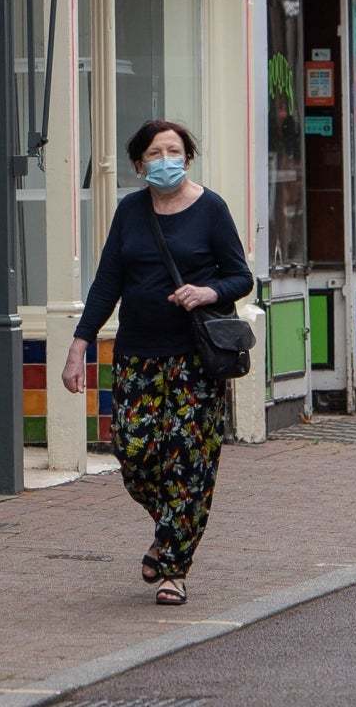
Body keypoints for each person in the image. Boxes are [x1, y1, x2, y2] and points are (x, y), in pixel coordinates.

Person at [63, 119, 251, 607]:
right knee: (135, 455)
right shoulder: (130, 211)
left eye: (174, 151)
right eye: (154, 152)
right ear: (138, 163)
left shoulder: (211, 210)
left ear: (187, 159)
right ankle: (172, 528)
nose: (164, 160)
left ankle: (173, 568)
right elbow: (107, 281)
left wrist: (208, 290)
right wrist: (80, 342)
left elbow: (240, 277)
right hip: (137, 357)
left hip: (194, 361)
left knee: (190, 463)